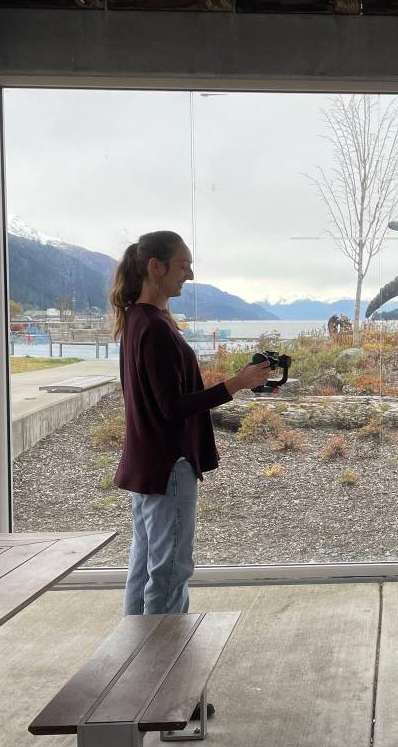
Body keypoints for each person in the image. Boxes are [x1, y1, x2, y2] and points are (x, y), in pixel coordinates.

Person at [109, 231, 275, 618]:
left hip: (146, 463)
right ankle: (165, 660)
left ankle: (136, 653)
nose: (190, 272)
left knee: (145, 564)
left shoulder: (137, 320)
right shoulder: (155, 328)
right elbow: (172, 408)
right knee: (170, 570)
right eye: (183, 264)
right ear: (156, 266)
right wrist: (237, 383)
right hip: (168, 464)